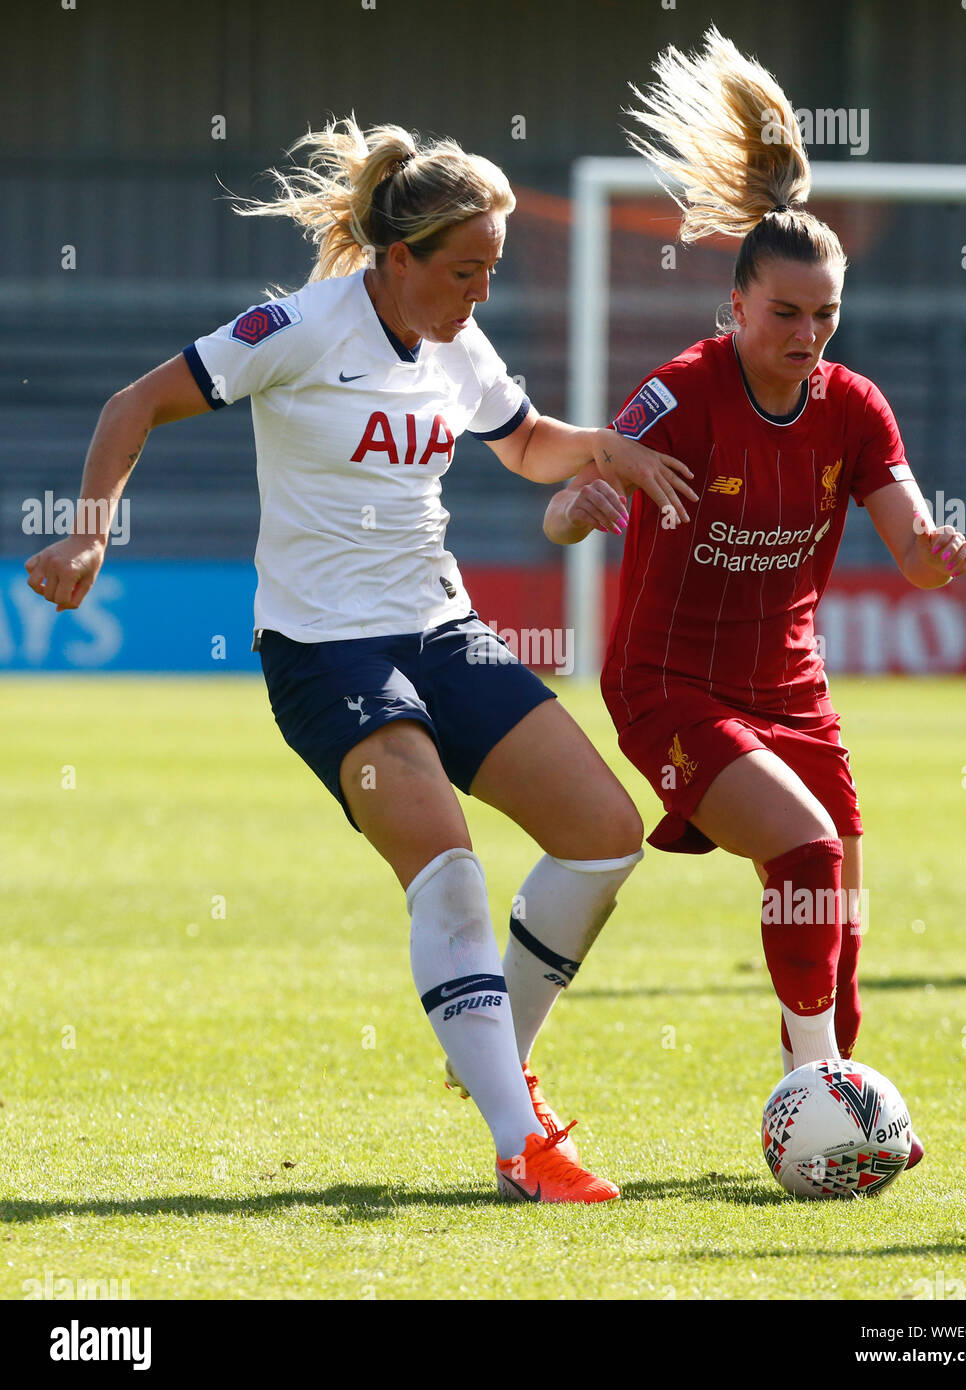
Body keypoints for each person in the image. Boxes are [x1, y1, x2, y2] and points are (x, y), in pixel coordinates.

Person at [24, 117, 697, 1203]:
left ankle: (486, 1047)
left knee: (606, 836)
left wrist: (603, 453)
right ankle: (520, 1140)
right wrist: (92, 527)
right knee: (447, 863)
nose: (480, 293)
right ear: (397, 259)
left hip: (438, 628)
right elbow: (134, 401)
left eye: (491, 270)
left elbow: (522, 441)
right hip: (323, 649)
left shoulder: (453, 340)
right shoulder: (296, 327)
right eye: (464, 271)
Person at [544, 30, 966, 1170]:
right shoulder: (676, 395)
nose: (805, 334)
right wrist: (578, 510)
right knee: (801, 852)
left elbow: (906, 535)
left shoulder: (853, 409)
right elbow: (565, 497)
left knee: (833, 926)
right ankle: (816, 1098)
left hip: (791, 691)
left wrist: (931, 551)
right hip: (668, 684)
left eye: (822, 315)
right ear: (735, 300)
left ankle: (837, 1111)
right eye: (784, 312)